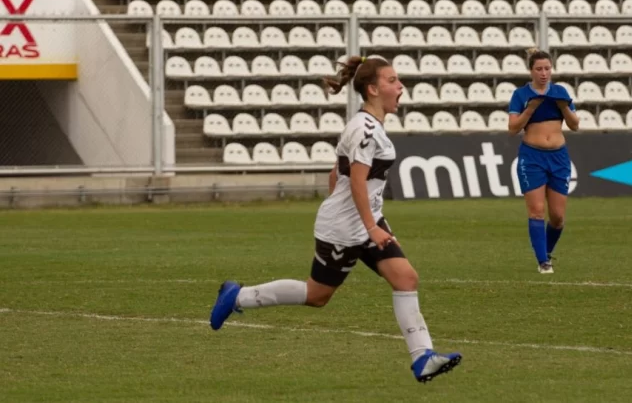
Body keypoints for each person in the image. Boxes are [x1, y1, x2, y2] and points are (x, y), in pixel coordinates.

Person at [208, 55, 462, 383]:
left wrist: (377, 225)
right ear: (373, 89)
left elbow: (337, 174)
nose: (401, 87)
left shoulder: (370, 126)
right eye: (393, 80)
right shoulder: (365, 129)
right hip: (345, 229)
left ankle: (422, 357)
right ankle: (237, 296)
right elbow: (356, 181)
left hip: (363, 222)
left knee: (405, 278)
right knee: (317, 295)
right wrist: (368, 225)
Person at [507, 48, 580, 274]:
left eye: (547, 68)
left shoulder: (560, 91)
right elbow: (512, 128)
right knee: (537, 210)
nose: (543, 73)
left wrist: (563, 106)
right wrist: (530, 109)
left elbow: (575, 125)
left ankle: (545, 251)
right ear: (531, 71)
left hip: (558, 156)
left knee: (557, 217)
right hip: (532, 157)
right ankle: (543, 262)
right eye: (539, 69)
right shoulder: (520, 95)